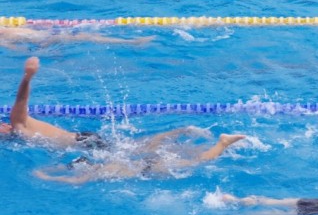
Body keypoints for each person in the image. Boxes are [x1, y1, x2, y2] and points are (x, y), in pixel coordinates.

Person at [2, 57, 220, 154]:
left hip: (85, 143)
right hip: (84, 140)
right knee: (135, 147)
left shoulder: (19, 126)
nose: (2, 126)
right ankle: (183, 134)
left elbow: (21, 101)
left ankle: (186, 136)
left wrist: (28, 76)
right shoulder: (18, 137)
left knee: (137, 151)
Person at [32, 131, 246, 184]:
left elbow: (75, 181)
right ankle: (220, 145)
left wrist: (45, 176)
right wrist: (47, 170)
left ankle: (223, 143)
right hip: (145, 163)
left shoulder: (97, 172)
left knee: (198, 162)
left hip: (149, 169)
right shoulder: (104, 164)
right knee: (193, 158)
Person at [0, 26, 153, 48]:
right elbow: (18, 50)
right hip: (49, 39)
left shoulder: (4, 31)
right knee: (88, 36)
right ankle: (131, 42)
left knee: (90, 35)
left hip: (49, 35)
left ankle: (130, 41)